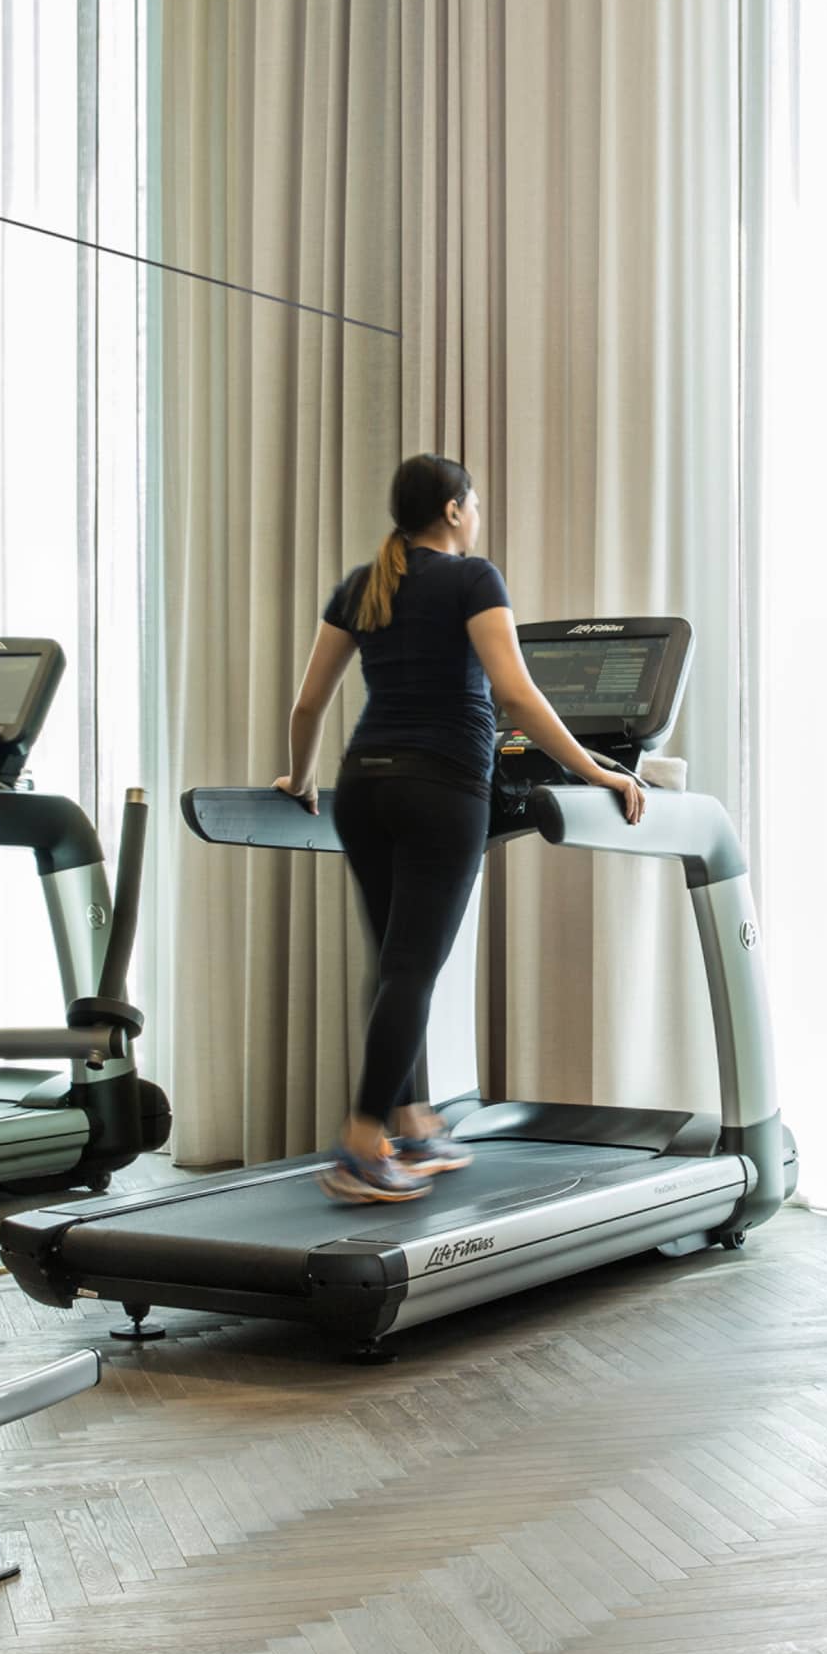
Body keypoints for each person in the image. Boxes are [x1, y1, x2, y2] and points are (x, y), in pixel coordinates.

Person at [273, 453, 646, 1203]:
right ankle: (359, 1145)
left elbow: (309, 704)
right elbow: (515, 695)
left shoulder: (361, 584)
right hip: (440, 788)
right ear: (452, 510)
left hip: (363, 787)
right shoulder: (474, 577)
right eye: (471, 503)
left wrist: (303, 778)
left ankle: (410, 1120)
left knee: (393, 966)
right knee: (412, 970)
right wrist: (597, 769)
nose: (475, 515)